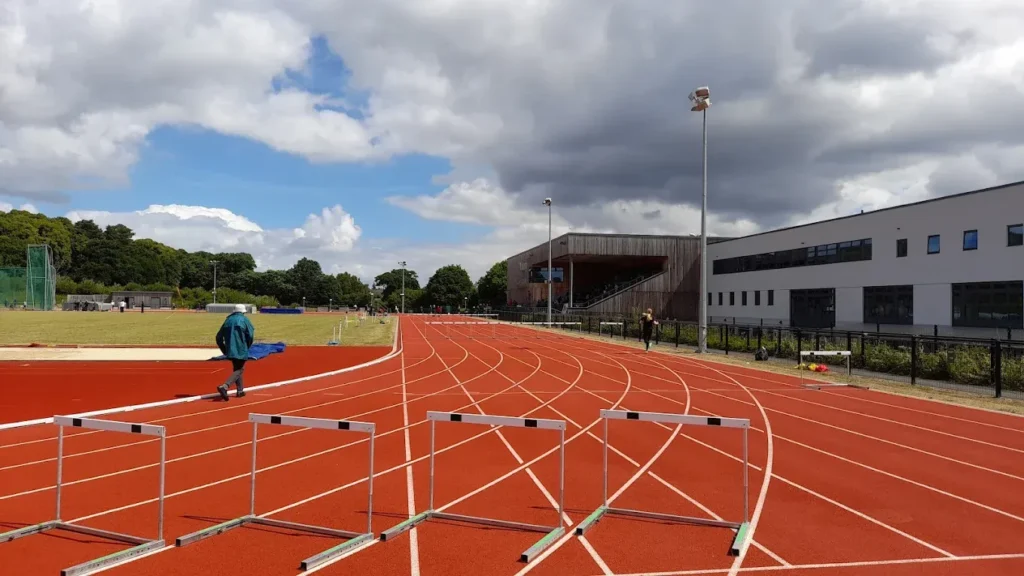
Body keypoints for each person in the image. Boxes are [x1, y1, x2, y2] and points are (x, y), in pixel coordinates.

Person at [216, 304, 255, 401]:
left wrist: (224, 349)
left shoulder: (227, 320)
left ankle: (240, 391)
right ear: (243, 312)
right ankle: (225, 386)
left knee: (237, 368)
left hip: (230, 349)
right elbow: (250, 336)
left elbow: (218, 337)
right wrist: (247, 346)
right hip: (241, 348)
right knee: (240, 370)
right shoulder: (244, 320)